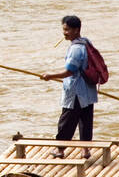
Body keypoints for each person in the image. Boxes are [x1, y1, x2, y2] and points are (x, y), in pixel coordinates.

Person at [41, 15, 98, 158]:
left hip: (76, 92)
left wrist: (50, 76)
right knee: (85, 119)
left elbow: (69, 71)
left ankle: (60, 150)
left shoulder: (76, 49)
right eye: (63, 30)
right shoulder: (86, 42)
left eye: (67, 30)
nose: (64, 33)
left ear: (76, 30)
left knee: (67, 121)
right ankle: (85, 150)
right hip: (88, 90)